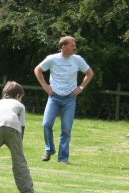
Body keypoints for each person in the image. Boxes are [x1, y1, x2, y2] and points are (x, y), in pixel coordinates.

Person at [34, 36, 94, 164]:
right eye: (72, 45)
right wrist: (46, 87)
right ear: (63, 47)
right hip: (54, 97)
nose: (75, 47)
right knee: (46, 124)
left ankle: (63, 158)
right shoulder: (52, 59)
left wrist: (81, 87)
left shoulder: (78, 59)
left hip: (70, 99)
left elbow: (89, 73)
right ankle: (49, 150)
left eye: (74, 45)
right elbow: (38, 70)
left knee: (66, 129)